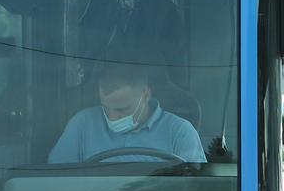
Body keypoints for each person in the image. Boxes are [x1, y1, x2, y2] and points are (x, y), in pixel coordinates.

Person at [49, 63, 205, 164]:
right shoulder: (83, 124)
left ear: (146, 94)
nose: (112, 118)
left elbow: (192, 189)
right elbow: (58, 179)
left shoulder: (180, 132)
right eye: (106, 108)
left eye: (121, 109)